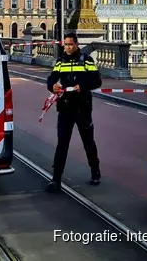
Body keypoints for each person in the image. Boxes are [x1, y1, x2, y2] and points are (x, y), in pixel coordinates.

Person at [45, 32, 103, 192]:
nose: (68, 47)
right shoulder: (60, 61)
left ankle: (95, 171)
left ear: (76, 44)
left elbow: (97, 80)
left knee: (88, 141)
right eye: (66, 44)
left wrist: (82, 86)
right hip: (65, 107)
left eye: (70, 44)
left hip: (82, 107)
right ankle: (56, 179)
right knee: (62, 143)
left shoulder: (86, 60)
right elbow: (51, 78)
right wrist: (53, 86)